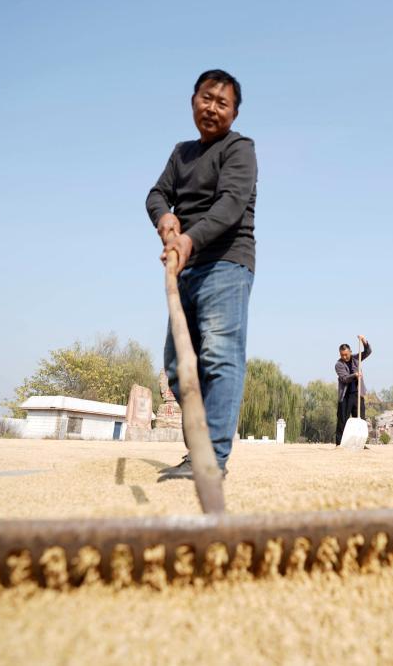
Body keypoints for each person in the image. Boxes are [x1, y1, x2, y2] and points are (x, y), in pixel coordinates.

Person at [146, 69, 257, 479]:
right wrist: (165, 219)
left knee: (219, 357)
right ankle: (198, 453)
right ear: (193, 99)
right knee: (177, 366)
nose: (212, 108)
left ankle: (212, 460)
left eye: (222, 102)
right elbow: (157, 194)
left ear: (234, 111)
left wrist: (189, 239)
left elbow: (230, 206)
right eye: (206, 98)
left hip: (227, 263)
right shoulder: (182, 153)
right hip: (186, 269)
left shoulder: (240, 149)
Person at [335, 336, 372, 445]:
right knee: (342, 420)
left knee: (361, 420)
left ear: (350, 352)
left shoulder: (356, 358)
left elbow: (368, 351)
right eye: (342, 355)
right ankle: (339, 443)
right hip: (345, 396)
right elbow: (344, 378)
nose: (344, 356)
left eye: (346, 354)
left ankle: (361, 444)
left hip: (357, 394)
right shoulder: (338, 365)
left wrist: (364, 341)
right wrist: (354, 375)